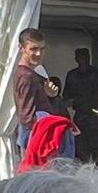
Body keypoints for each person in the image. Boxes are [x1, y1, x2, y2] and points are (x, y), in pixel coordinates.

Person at [11, 28, 61, 157]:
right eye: (33, 49)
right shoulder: (26, 76)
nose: (38, 53)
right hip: (35, 143)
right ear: (21, 49)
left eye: (42, 48)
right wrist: (45, 138)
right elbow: (26, 115)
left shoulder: (33, 74)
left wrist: (49, 95)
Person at [63, 47, 98, 161]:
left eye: (85, 57)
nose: (83, 59)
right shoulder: (72, 75)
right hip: (81, 116)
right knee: (81, 149)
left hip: (95, 115)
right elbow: (67, 96)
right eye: (81, 57)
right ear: (76, 59)